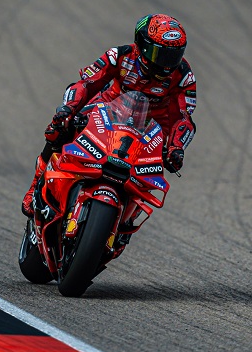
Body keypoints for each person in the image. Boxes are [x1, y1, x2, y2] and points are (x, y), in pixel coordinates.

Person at [21, 13, 197, 218]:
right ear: (142, 45)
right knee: (60, 127)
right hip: (110, 107)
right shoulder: (119, 55)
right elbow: (86, 84)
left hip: (152, 124)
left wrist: (176, 147)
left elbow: (183, 117)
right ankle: (35, 186)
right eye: (160, 54)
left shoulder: (184, 76)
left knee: (152, 169)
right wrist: (68, 109)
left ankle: (127, 218)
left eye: (174, 56)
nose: (167, 63)